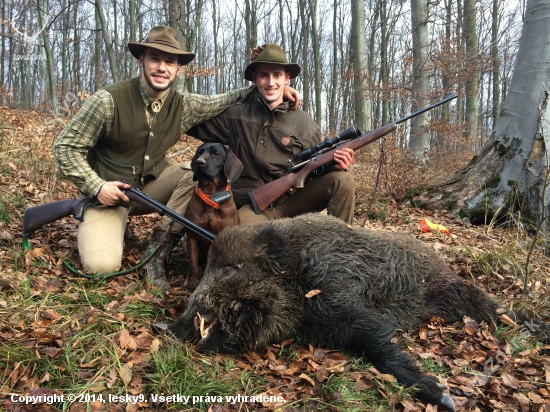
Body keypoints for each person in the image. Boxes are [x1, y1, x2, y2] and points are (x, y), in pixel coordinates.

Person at [53, 27, 301, 289]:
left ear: (178, 69)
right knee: (101, 266)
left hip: (147, 189)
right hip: (108, 195)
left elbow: (229, 98)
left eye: (170, 61)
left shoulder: (183, 106)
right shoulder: (107, 101)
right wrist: (97, 186)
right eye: (154, 59)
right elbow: (65, 147)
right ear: (141, 61)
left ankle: (157, 254)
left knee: (188, 171)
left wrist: (276, 89)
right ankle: (116, 224)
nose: (162, 67)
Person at [187, 44, 355, 226]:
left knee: (342, 180)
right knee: (237, 236)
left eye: (277, 75)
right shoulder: (235, 116)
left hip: (293, 201)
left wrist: (336, 164)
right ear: (254, 78)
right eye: (263, 75)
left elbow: (315, 168)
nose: (270, 82)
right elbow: (191, 118)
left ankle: (341, 249)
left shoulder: (306, 124)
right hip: (253, 205)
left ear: (287, 77)